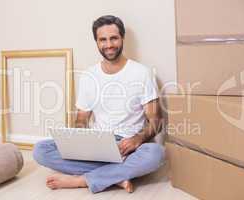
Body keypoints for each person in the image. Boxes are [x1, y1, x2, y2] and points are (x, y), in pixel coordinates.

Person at [33, 15, 165, 194]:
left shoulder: (142, 73)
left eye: (114, 38)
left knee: (156, 153)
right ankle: (115, 176)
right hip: (98, 144)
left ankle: (83, 180)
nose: (109, 44)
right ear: (96, 42)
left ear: (122, 38)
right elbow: (81, 120)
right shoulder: (89, 76)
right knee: (41, 150)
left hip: (129, 146)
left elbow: (156, 122)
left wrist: (137, 139)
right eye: (103, 39)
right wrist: (80, 143)